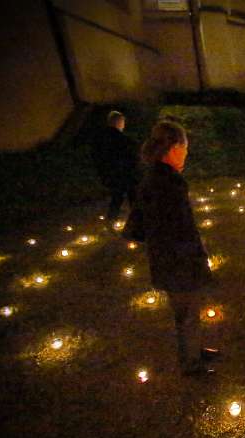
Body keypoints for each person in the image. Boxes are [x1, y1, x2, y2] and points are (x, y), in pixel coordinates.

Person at [123, 120, 217, 377]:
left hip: (167, 261)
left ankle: (194, 351)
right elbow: (182, 230)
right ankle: (191, 364)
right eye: (185, 148)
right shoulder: (168, 183)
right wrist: (196, 258)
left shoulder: (153, 177)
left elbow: (136, 226)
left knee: (186, 313)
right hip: (179, 263)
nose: (186, 153)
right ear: (174, 147)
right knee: (187, 314)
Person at [91, 110, 140, 222]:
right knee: (133, 198)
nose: (123, 125)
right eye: (122, 122)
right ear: (119, 123)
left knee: (117, 198)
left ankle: (110, 222)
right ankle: (137, 223)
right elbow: (133, 158)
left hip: (109, 175)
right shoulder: (124, 140)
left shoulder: (100, 140)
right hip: (125, 175)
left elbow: (96, 157)